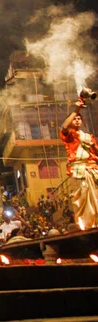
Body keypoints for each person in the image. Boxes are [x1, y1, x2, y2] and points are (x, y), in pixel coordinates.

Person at [60, 97, 98, 229]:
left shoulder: (89, 137)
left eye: (79, 118)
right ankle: (87, 225)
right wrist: (77, 108)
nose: (77, 120)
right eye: (74, 118)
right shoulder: (69, 135)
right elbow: (64, 126)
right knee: (84, 198)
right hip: (80, 172)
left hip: (94, 170)